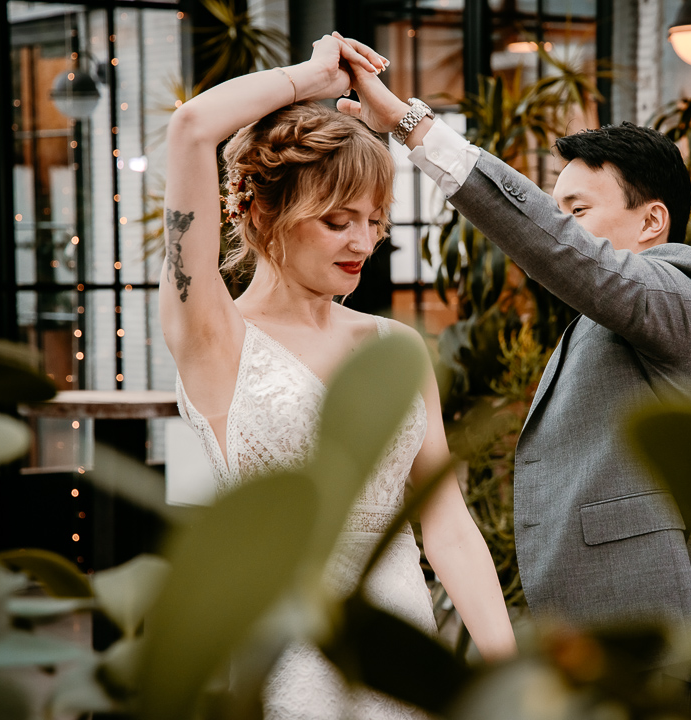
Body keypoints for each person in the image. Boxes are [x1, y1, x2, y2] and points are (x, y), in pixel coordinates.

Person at [335, 33, 691, 718]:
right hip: (615, 659)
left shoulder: (689, 285)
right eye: (556, 209)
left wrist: (413, 126)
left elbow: (564, 253)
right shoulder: (609, 321)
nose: (559, 228)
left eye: (576, 211)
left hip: (677, 661)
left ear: (653, 221)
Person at [159, 35, 516, 719]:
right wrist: (312, 77)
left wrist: (512, 676)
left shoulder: (395, 347)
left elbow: (447, 525)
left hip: (402, 648)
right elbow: (192, 126)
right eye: (336, 221)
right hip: (285, 655)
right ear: (262, 211)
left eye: (374, 221)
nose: (364, 242)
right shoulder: (211, 335)